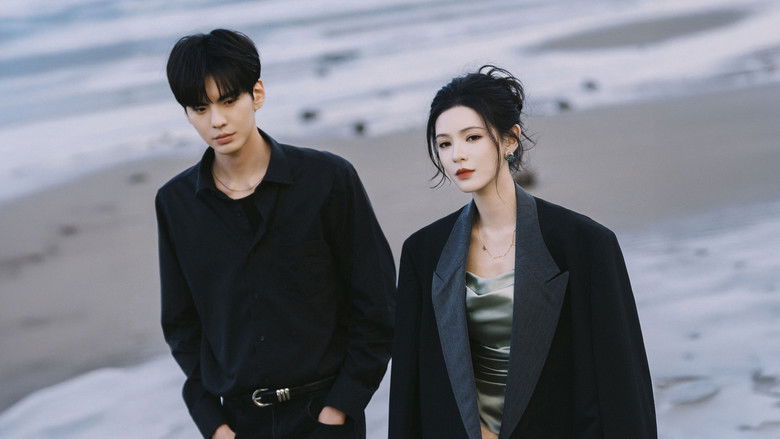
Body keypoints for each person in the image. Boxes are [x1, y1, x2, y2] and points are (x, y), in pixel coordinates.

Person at [388, 65, 656, 438]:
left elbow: (621, 385)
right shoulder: (423, 252)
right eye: (445, 143)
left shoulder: (584, 245)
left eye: (472, 137)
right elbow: (408, 391)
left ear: (510, 139)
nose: (457, 155)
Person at [155, 29, 394, 439]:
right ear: (187, 113)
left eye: (228, 100)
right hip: (238, 424)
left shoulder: (328, 179)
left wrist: (341, 405)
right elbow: (181, 324)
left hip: (324, 417)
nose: (217, 120)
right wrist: (213, 423)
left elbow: (377, 301)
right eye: (200, 108)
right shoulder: (176, 203)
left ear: (257, 94)